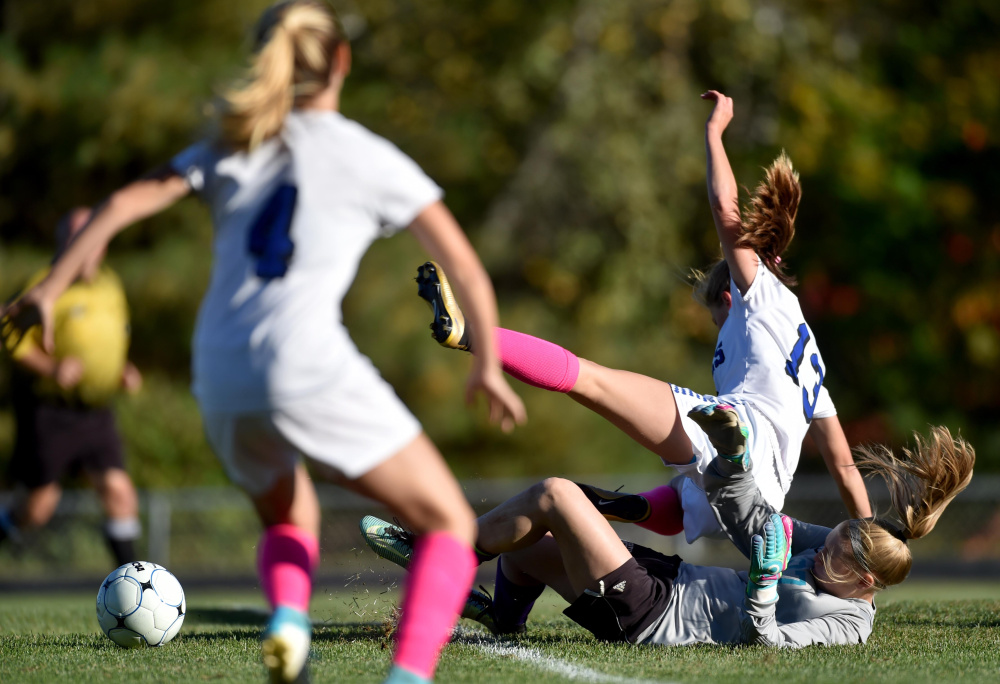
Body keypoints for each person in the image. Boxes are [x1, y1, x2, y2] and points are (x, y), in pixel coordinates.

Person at [0, 2, 526, 682]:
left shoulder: (233, 143)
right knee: (450, 525)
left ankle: (287, 621)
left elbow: (123, 204)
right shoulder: (367, 155)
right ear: (341, 61)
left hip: (219, 369)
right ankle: (407, 677)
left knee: (290, 512)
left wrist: (48, 289)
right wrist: (487, 365)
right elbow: (469, 273)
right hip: (302, 358)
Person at [413, 90, 871, 547]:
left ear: (729, 298)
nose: (717, 329)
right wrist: (870, 539)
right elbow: (846, 470)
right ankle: (615, 506)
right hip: (763, 502)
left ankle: (468, 332)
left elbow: (724, 208)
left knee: (592, 380)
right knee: (685, 491)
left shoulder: (758, 294)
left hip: (741, 443)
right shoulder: (812, 375)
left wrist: (714, 133)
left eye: (714, 320)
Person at [363, 404, 974, 647]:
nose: (821, 554)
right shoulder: (821, 553)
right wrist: (731, 458)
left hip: (654, 613)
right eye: (832, 539)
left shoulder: (847, 624)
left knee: (556, 494)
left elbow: (769, 644)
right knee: (527, 551)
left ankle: (437, 555)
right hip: (665, 579)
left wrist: (763, 589)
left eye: (839, 557)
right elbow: (756, 519)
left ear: (867, 582)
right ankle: (504, 620)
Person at [1, 207, 143, 568]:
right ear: (62, 242)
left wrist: (119, 369)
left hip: (97, 410)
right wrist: (51, 368)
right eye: (75, 237)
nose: (83, 245)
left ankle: (131, 583)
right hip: (51, 411)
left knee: (119, 492)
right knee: (39, 507)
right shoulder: (45, 284)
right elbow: (8, 333)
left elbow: (109, 338)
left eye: (91, 236)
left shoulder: (111, 284)